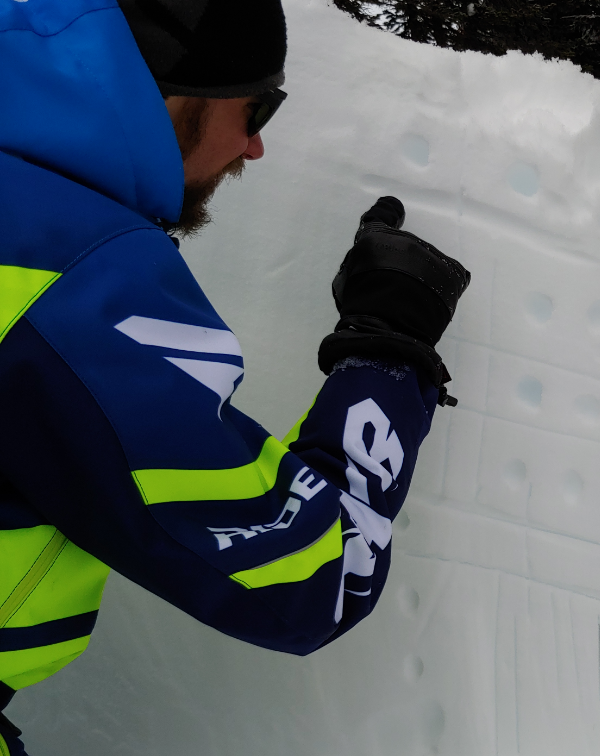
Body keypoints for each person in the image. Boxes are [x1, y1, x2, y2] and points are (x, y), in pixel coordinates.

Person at [0, 1, 470, 753]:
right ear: (171, 88)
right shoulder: (67, 279)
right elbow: (315, 576)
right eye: (259, 107)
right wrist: (389, 347)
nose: (254, 147)